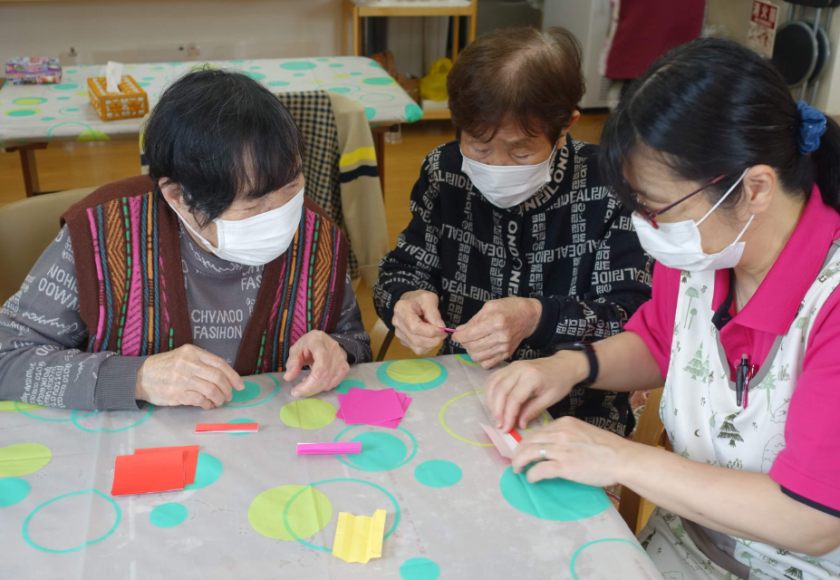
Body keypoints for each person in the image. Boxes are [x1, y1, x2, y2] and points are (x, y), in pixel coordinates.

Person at [486, 39, 840, 578]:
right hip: (687, 545)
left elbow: (812, 518)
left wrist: (617, 457)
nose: (645, 227)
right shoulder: (704, 250)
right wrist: (571, 365)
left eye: (656, 208)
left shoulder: (829, 303)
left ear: (755, 188)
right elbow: (661, 343)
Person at [0, 70, 371, 411]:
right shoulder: (101, 235)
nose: (282, 213)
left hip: (275, 450)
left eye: (292, 187)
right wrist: (138, 378)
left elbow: (353, 340)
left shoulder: (318, 234)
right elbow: (7, 358)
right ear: (178, 196)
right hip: (134, 458)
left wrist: (337, 351)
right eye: (254, 204)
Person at [373, 27, 652, 436]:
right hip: (462, 392)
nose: (498, 168)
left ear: (565, 127)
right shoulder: (445, 172)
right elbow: (402, 268)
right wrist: (403, 300)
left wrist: (538, 317)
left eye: (521, 151)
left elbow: (634, 319)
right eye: (479, 147)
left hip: (576, 413)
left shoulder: (609, 186)